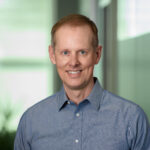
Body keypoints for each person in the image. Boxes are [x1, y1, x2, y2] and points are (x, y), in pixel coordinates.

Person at [14, 14, 150, 150]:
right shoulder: (31, 121)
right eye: (65, 52)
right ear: (52, 54)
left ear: (97, 54)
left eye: (82, 52)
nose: (73, 62)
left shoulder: (132, 118)